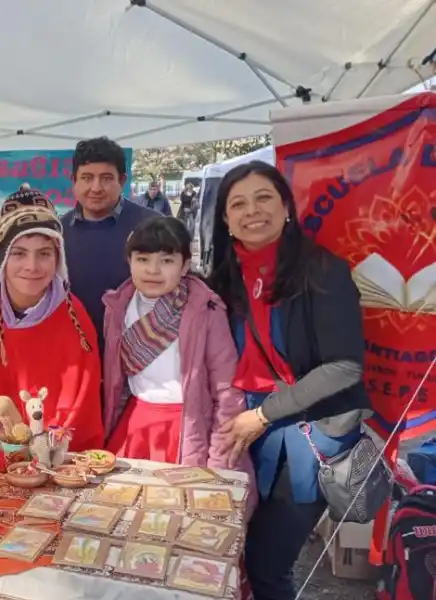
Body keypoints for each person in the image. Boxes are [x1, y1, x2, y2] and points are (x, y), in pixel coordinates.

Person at [207, 161, 370, 600]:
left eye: (264, 198)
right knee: (225, 552)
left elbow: (344, 366)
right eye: (238, 204)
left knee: (267, 564)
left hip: (307, 434)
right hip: (238, 428)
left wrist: (263, 415)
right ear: (225, 219)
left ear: (285, 207)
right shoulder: (221, 280)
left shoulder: (322, 271)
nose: (252, 211)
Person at [0, 188, 104, 451]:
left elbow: (81, 414)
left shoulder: (76, 320)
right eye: (19, 253)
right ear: (2, 256)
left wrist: (43, 453)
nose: (32, 266)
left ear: (58, 258)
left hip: (50, 458)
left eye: (44, 254)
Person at [100, 217, 255, 502]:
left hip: (186, 428)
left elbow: (226, 391)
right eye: (143, 259)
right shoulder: (117, 307)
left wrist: (218, 462)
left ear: (185, 266)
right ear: (129, 261)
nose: (152, 270)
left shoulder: (206, 310)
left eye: (167, 261)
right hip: (134, 425)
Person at [60, 137, 158, 347]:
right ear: (73, 180)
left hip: (139, 351)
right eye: (87, 178)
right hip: (75, 349)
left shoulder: (154, 226)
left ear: (122, 181)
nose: (96, 188)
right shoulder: (57, 232)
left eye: (106, 178)